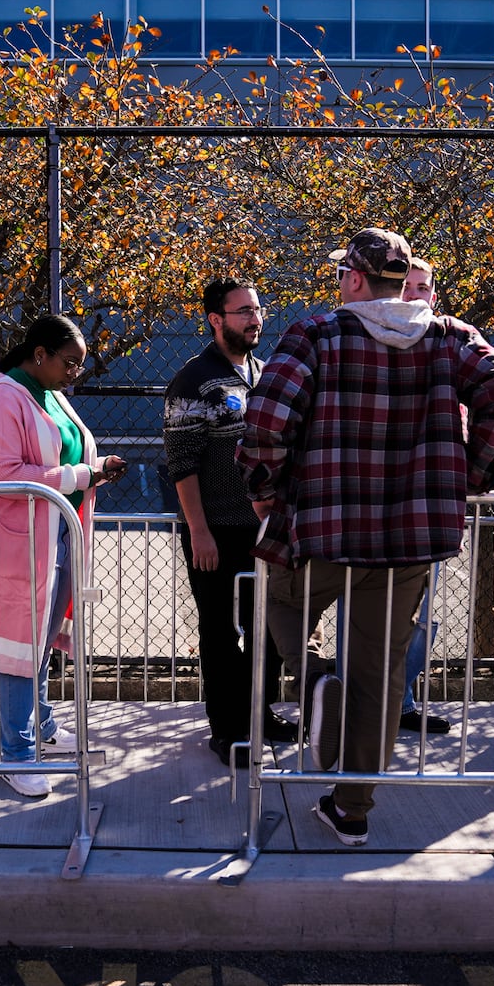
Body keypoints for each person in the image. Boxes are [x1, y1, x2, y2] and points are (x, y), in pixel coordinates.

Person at [236, 227, 494, 846]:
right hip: (411, 540)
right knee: (382, 669)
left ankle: (315, 680)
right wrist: (472, 475)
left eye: (345, 273)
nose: (341, 281)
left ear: (357, 280)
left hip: (326, 527)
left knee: (279, 602)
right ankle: (353, 809)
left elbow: (266, 418)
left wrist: (264, 485)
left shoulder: (319, 334)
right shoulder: (450, 340)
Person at [0, 316, 127, 799]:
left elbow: (58, 461)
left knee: (41, 642)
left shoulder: (47, 393)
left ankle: (44, 727)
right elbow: (4, 475)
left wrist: (92, 471)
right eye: (69, 362)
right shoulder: (1, 399)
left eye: (79, 364)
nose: (75, 372)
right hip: (21, 546)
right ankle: (16, 753)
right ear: (39, 354)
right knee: (20, 651)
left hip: (54, 538)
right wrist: (81, 476)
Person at [164, 277, 297, 767]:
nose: (254, 319)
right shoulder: (193, 379)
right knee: (221, 632)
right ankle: (228, 729)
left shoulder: (262, 373)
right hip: (216, 531)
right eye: (243, 311)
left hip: (264, 530)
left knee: (270, 627)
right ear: (216, 319)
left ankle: (260, 713)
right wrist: (199, 530)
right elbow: (182, 462)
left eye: (257, 309)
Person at [394, 257, 454, 736]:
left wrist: (471, 472)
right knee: (365, 608)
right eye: (406, 286)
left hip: (428, 501)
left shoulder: (449, 344)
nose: (415, 295)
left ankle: (402, 698)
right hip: (376, 502)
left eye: (423, 287)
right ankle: (359, 698)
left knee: (423, 611)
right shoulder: (374, 341)